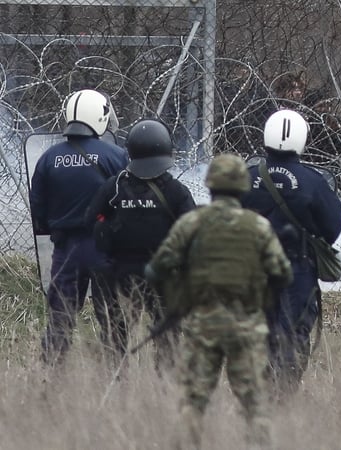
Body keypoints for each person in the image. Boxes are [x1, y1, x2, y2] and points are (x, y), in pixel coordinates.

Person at [145, 154, 293, 448]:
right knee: (254, 404)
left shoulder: (192, 223)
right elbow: (283, 273)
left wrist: (180, 292)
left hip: (203, 325)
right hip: (247, 326)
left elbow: (156, 267)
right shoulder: (259, 227)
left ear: (210, 185)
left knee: (192, 402)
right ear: (243, 187)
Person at [240, 109, 341, 398]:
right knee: (292, 336)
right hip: (296, 270)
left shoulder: (245, 177)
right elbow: (333, 226)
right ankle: (280, 400)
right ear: (301, 139)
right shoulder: (313, 181)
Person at [29, 88, 129, 366]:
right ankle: (117, 373)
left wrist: (55, 228)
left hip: (65, 250)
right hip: (103, 248)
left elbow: (38, 207)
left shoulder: (49, 158)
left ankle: (51, 372)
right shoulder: (116, 155)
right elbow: (125, 200)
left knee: (60, 316)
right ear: (99, 117)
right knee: (110, 313)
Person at [86, 119, 196, 369]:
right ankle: (163, 384)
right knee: (167, 334)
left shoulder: (114, 185)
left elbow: (90, 220)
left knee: (115, 334)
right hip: (162, 275)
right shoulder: (176, 191)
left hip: (118, 274)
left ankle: (116, 379)